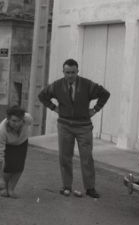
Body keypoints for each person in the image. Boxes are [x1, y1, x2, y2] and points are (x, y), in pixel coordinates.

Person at [38, 58, 110, 198]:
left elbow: (105, 94)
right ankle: (66, 186)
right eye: (67, 72)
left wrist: (95, 109)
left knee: (87, 157)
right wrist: (53, 108)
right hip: (65, 126)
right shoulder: (57, 85)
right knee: (64, 157)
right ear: (63, 72)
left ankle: (90, 188)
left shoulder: (87, 85)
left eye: (73, 72)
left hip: (84, 127)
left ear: (77, 71)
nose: (70, 75)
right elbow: (42, 96)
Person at [0, 105, 33, 198]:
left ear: (23, 119)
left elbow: (29, 122)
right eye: (14, 121)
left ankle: (11, 189)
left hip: (22, 141)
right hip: (9, 144)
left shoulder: (28, 119)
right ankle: (3, 186)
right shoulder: (1, 131)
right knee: (9, 166)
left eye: (19, 121)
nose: (17, 124)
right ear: (8, 119)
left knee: (19, 166)